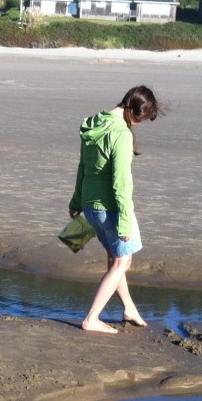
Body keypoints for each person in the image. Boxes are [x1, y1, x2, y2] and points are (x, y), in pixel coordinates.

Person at [69, 85, 164, 333]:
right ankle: (92, 318)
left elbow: (82, 167)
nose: (141, 125)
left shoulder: (92, 124)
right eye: (143, 119)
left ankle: (129, 309)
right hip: (110, 208)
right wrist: (125, 223)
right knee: (122, 261)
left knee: (115, 258)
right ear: (135, 112)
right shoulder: (121, 134)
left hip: (90, 207)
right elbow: (121, 184)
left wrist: (77, 200)